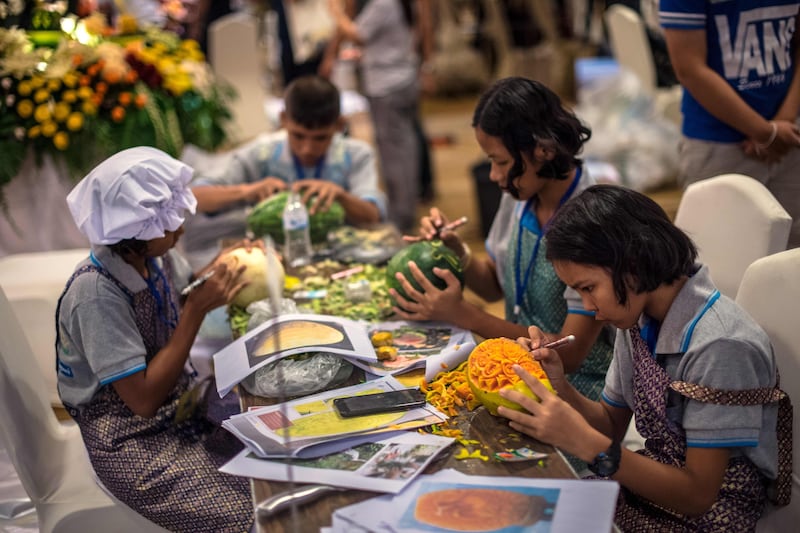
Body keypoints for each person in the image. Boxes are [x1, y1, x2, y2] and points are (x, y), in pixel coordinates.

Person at [499, 184, 787, 530]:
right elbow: (610, 422)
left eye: (588, 288)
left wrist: (586, 444)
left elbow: (698, 495)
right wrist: (559, 384)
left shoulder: (720, 345)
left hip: (711, 515)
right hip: (652, 489)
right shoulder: (637, 316)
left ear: (632, 264)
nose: (588, 308)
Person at [56, 147, 255, 532]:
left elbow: (181, 294)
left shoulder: (154, 258)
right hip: (134, 440)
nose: (180, 228)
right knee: (253, 511)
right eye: (168, 224)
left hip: (181, 409)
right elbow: (143, 400)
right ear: (133, 234)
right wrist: (195, 312)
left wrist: (227, 261)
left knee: (281, 463)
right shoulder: (96, 295)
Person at [389, 77, 614, 402]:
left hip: (577, 394)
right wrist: (456, 250)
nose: (494, 176)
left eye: (500, 162)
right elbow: (495, 286)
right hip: (515, 373)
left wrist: (464, 314)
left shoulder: (593, 222)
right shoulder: (521, 195)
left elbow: (570, 353)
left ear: (544, 150)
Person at [186, 74, 386, 267]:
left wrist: (341, 196)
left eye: (320, 138)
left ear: (340, 125)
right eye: (298, 136)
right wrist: (249, 191)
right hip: (273, 259)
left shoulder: (357, 154)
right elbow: (195, 197)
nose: (307, 148)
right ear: (283, 119)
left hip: (342, 258)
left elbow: (373, 216)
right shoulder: (261, 153)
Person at [660, 1, 800, 248]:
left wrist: (782, 123)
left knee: (789, 254)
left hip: (788, 135)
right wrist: (764, 131)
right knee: (718, 254)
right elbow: (689, 68)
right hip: (717, 141)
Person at [327, 0, 421, 232]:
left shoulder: (383, 3)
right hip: (401, 77)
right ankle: (404, 211)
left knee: (395, 155)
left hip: (387, 85)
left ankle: (401, 216)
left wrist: (335, 12)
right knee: (404, 149)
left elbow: (358, 34)